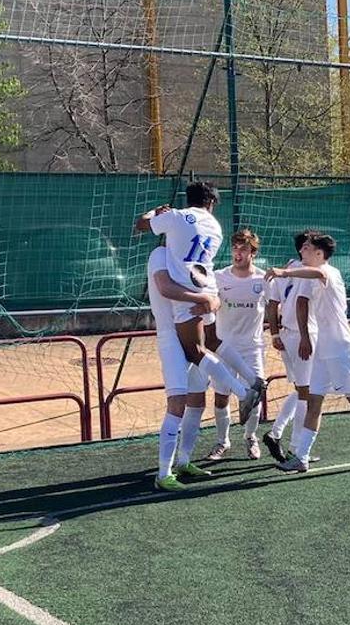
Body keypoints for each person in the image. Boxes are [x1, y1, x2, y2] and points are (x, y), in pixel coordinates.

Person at [133, 181, 263, 422]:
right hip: (208, 284)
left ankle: (243, 391)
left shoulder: (176, 216)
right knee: (213, 339)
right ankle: (254, 379)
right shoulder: (215, 226)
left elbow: (140, 225)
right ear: (211, 202)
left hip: (186, 288)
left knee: (195, 351)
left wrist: (155, 213)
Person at [264, 232, 350, 473]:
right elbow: (301, 301)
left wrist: (285, 273)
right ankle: (301, 457)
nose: (301, 251)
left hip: (340, 349)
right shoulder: (308, 276)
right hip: (323, 350)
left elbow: (319, 273)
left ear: (319, 254)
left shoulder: (328, 272)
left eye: (307, 248)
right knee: (314, 401)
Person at [145, 245, 218, 492]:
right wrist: (202, 299)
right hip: (171, 337)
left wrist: (211, 302)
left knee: (197, 402)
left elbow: (215, 297)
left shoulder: (194, 259)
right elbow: (165, 288)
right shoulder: (160, 255)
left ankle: (184, 461)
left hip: (195, 336)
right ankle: (163, 473)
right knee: (177, 402)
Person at [204, 229, 270, 461]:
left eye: (243, 249)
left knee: (256, 393)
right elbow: (208, 297)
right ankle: (222, 441)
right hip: (223, 348)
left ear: (253, 252)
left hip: (252, 348)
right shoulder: (219, 276)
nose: (237, 253)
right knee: (221, 396)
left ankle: (250, 437)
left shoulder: (263, 279)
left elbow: (274, 307)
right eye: (235, 248)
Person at [262, 231, 319, 465]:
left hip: (287, 334)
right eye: (309, 245)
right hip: (302, 335)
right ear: (302, 249)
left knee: (300, 389)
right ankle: (297, 448)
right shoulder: (304, 271)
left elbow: (272, 303)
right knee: (307, 392)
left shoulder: (288, 270)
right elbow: (283, 303)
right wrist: (303, 337)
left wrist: (275, 332)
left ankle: (275, 433)